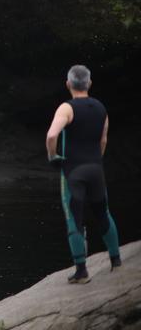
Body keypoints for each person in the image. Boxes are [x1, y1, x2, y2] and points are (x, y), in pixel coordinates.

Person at [45, 64, 121, 284]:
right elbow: (103, 140)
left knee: (74, 220)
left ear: (68, 84)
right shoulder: (100, 108)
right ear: (89, 83)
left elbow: (52, 135)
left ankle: (81, 272)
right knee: (103, 213)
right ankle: (116, 261)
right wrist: (96, 160)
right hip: (96, 169)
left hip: (73, 171)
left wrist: (53, 157)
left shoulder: (66, 108)